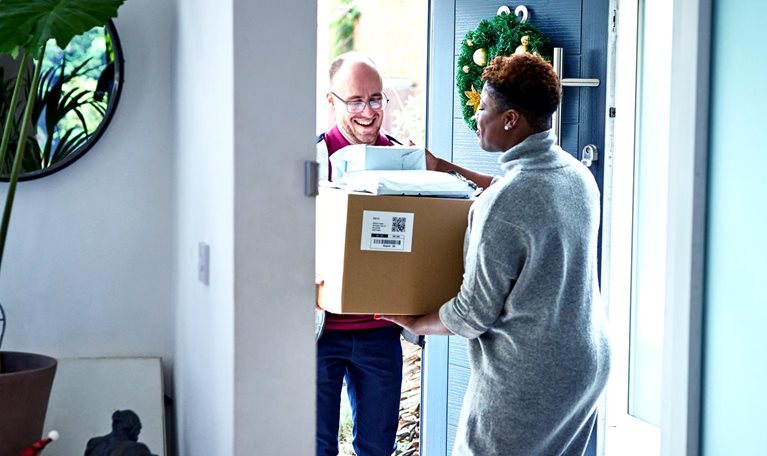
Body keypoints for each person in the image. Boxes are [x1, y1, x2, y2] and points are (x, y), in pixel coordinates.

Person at [379, 53, 612, 455]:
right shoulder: (575, 175)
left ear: (510, 120)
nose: (476, 118)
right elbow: (520, 195)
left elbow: (471, 315)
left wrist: (415, 322)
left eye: (483, 108)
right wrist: (446, 168)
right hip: (585, 363)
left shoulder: (505, 205)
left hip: (531, 372)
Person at [314, 52, 405, 456]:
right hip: (319, 333)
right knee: (315, 447)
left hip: (380, 330)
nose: (368, 112)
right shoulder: (311, 161)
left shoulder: (404, 162)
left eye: (375, 99)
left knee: (377, 448)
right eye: (355, 101)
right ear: (331, 102)